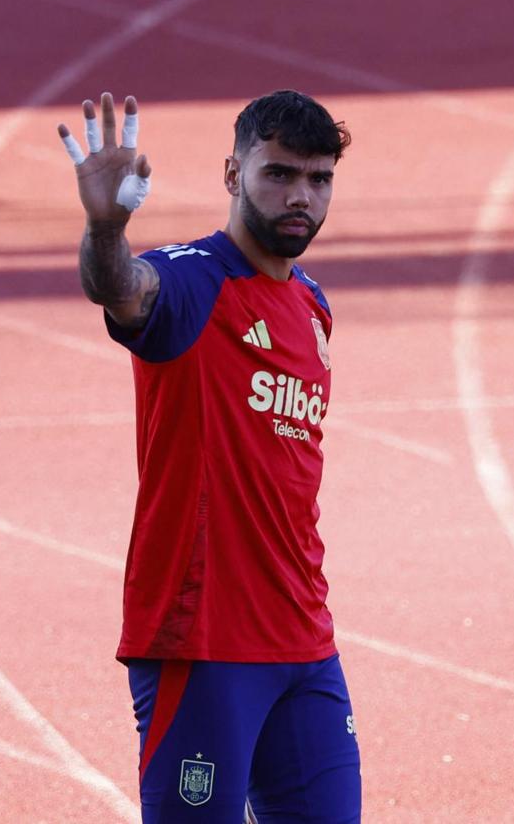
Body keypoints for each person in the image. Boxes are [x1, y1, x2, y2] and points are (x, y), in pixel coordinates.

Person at [57, 91, 360, 822]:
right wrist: (105, 228)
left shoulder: (313, 304)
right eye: (280, 174)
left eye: (319, 180)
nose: (301, 197)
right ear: (233, 173)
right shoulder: (193, 279)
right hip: (204, 640)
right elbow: (122, 289)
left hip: (303, 637)